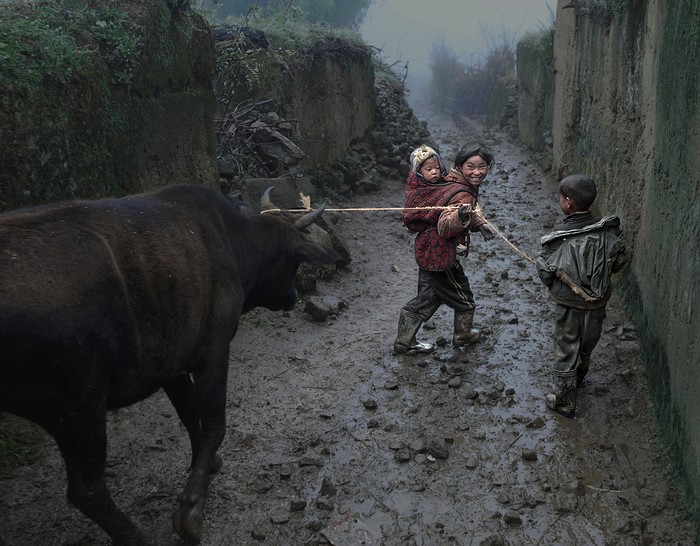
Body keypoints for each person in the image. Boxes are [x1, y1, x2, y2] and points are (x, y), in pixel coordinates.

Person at [536, 174, 627, 417]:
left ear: (568, 202)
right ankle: (579, 379)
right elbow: (618, 262)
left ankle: (565, 400)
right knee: (587, 344)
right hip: (597, 305)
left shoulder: (558, 238)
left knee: (566, 347)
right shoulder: (608, 232)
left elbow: (545, 272)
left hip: (568, 305)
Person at [393, 143, 496, 355]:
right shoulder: (461, 192)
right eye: (471, 166)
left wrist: (478, 223)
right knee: (463, 297)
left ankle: (404, 341)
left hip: (427, 250)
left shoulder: (447, 180)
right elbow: (445, 224)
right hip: (441, 254)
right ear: (459, 165)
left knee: (429, 296)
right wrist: (460, 216)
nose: (477, 172)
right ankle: (462, 334)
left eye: (482, 166)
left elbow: (460, 210)